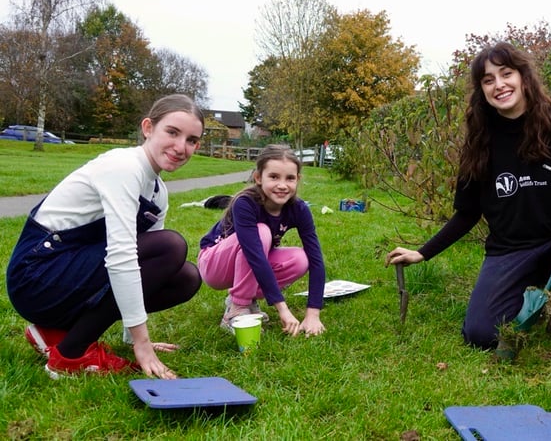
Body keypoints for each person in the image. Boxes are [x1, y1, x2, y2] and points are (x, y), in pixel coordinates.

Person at [385, 42, 551, 358]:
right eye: (488, 80)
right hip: (510, 252)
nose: (499, 84)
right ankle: (528, 306)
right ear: (482, 89)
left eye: (506, 73)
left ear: (523, 76)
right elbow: (467, 213)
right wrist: (422, 253)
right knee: (481, 335)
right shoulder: (480, 142)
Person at [6, 94, 205, 379]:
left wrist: (129, 337)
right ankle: (69, 355)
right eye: (172, 132)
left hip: (69, 274)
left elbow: (147, 271)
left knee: (185, 277)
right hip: (37, 275)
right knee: (170, 246)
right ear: (148, 127)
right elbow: (123, 256)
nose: (180, 146)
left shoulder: (157, 191)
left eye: (191, 140)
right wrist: (142, 343)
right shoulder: (123, 167)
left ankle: (56, 333)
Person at [198, 144, 326, 337]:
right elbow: (256, 257)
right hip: (214, 265)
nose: (282, 185)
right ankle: (237, 308)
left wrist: (313, 313)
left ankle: (245, 300)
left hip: (247, 261)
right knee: (262, 233)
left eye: (290, 178)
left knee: (301, 259)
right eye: (274, 177)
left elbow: (316, 259)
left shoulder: (299, 209)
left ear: (298, 179)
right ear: (258, 178)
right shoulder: (245, 203)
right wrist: (282, 309)